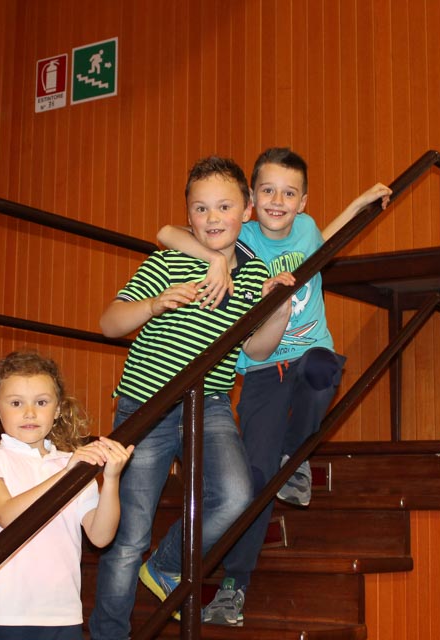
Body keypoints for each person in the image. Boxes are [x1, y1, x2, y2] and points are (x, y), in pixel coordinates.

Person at [158, 147, 391, 626]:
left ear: (302, 202)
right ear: (250, 200)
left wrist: (360, 202)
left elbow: (326, 240)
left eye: (288, 194)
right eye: (267, 191)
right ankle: (234, 585)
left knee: (324, 370)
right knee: (256, 479)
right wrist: (215, 260)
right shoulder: (239, 237)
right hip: (262, 369)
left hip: (309, 356)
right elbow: (168, 234)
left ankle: (295, 454)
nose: (277, 201)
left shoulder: (306, 229)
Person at [88, 156, 295, 640]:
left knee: (236, 496)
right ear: (189, 214)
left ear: (246, 211)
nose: (212, 218)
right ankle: (109, 634)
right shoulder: (168, 262)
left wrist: (279, 310)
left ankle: (166, 564)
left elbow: (256, 350)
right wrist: (153, 304)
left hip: (210, 403)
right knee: (128, 535)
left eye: (224, 206)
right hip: (147, 406)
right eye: (200, 209)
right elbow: (109, 323)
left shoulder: (254, 274)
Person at [0, 351, 133, 640]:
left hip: (62, 614)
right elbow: (7, 514)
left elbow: (100, 536)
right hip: (1, 613)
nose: (30, 413)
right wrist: (68, 473)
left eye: (41, 402)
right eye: (16, 403)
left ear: (58, 409)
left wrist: (111, 480)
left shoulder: (72, 463)